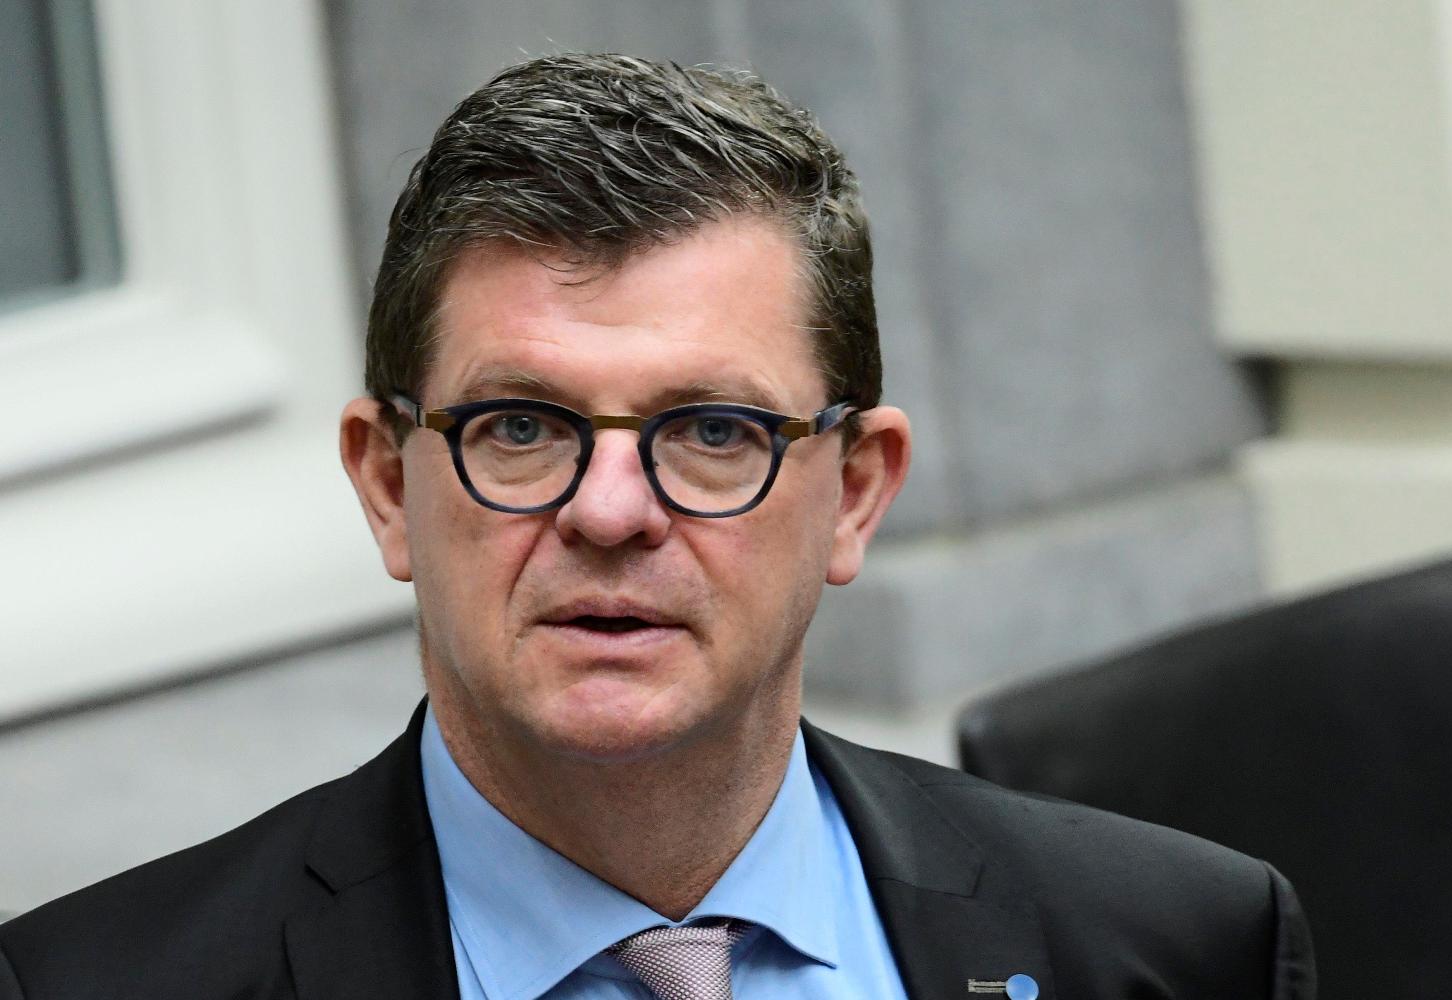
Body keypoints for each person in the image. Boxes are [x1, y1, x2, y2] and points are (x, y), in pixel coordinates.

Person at [0, 54, 1314, 999]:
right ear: (389, 485)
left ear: (856, 492)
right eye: (520, 426)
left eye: (713, 430)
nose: (611, 510)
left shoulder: (1174, 945)